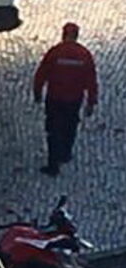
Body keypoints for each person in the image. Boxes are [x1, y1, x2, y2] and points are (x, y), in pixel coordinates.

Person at [33, 23, 98, 176]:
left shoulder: (55, 52)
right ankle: (65, 153)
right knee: (70, 125)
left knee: (53, 129)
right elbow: (91, 79)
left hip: (55, 97)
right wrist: (91, 101)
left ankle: (53, 163)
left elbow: (41, 73)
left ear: (63, 34)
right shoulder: (84, 54)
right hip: (74, 99)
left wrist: (37, 92)